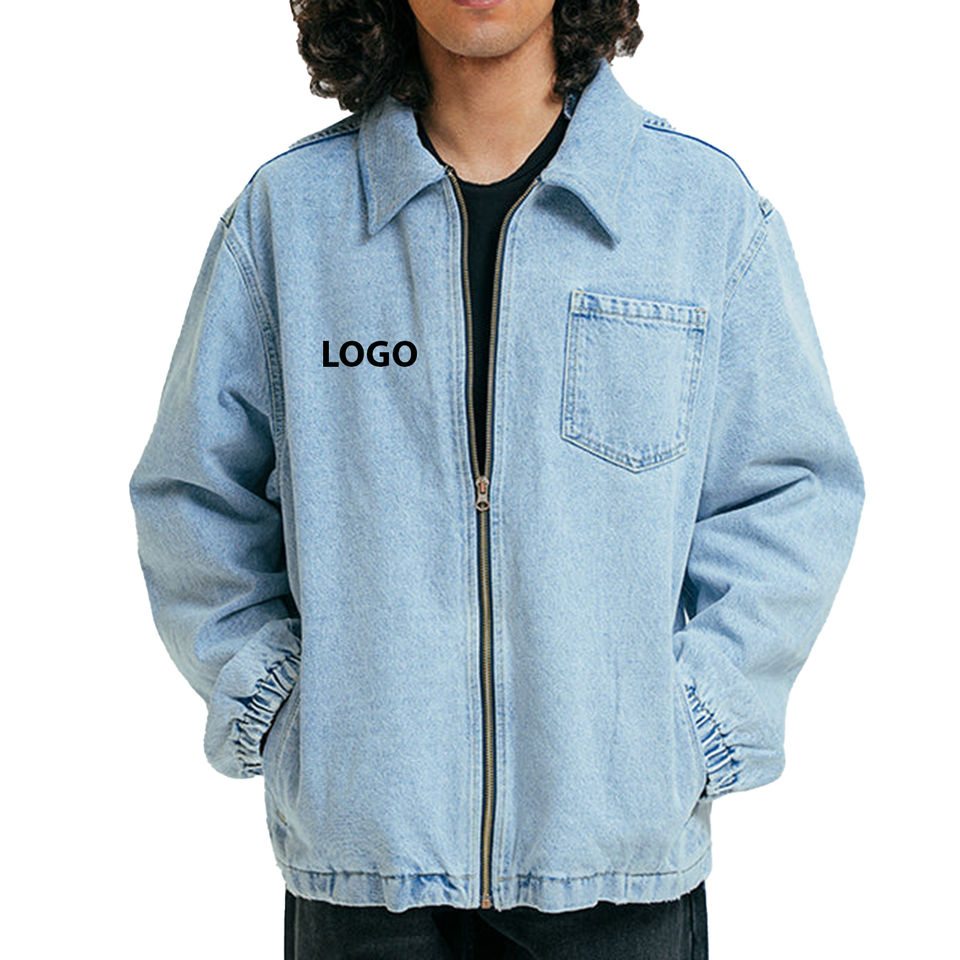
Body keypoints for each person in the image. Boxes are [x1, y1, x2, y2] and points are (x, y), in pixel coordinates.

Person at [128, 0, 865, 957]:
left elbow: (792, 492)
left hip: (616, 871)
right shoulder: (289, 219)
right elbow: (193, 495)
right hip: (367, 873)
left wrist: (692, 726)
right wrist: (282, 711)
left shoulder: (700, 211)